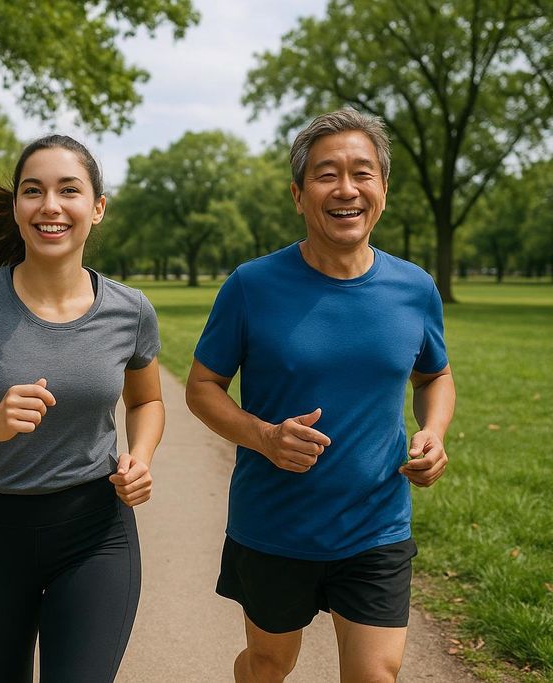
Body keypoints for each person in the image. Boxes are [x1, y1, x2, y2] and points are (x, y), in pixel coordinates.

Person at [185, 109, 456, 683]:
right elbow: (202, 388)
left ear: (383, 188)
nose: (346, 189)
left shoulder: (414, 289)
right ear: (298, 194)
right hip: (275, 525)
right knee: (268, 664)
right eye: (326, 174)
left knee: (375, 675)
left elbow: (435, 375)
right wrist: (263, 435)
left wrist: (433, 431)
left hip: (376, 524)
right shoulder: (251, 286)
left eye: (363, 173)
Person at [0, 134, 165, 683]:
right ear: (17, 209)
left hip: (95, 533)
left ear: (96, 208)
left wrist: (140, 456)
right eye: (33, 191)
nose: (50, 205)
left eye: (69, 190)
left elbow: (148, 400)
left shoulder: (130, 311)